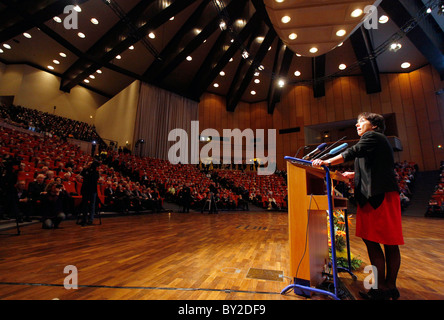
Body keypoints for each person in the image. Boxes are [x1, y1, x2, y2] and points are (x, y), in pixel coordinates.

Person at [312, 112, 403, 300]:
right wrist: (353, 175)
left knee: (376, 242)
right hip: (380, 194)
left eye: (361, 121)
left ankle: (380, 289)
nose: (357, 125)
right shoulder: (374, 142)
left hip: (378, 196)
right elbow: (373, 166)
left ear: (375, 125)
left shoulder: (372, 136)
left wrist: (326, 162)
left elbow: (351, 152)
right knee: (388, 243)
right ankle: (389, 287)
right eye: (357, 122)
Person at [79, 161, 99, 226]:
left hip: (93, 190)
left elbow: (95, 178)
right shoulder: (85, 170)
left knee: (92, 205)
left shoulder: (95, 172)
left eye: (91, 164)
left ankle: (90, 220)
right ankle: (84, 219)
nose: (90, 165)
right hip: (85, 190)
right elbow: (81, 175)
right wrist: (86, 169)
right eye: (89, 164)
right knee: (85, 205)